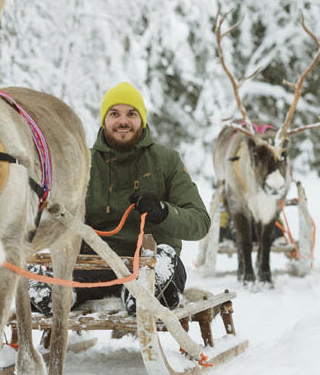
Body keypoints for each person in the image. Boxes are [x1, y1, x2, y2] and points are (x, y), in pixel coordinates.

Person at [31, 82, 210, 315]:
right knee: (43, 288)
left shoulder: (167, 161)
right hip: (92, 265)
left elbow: (200, 223)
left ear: (142, 119)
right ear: (104, 120)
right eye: (114, 114)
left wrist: (164, 212)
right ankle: (59, 293)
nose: (123, 121)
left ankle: (141, 294)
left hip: (152, 263)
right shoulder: (83, 162)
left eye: (131, 114)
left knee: (156, 276)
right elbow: (54, 215)